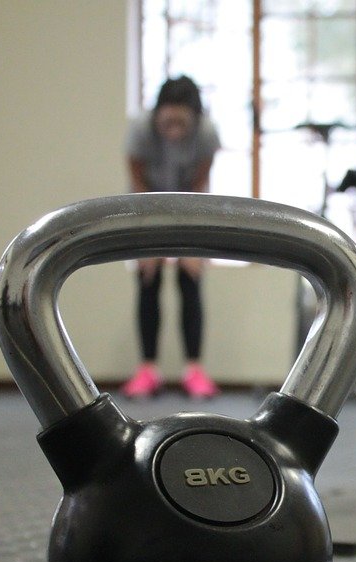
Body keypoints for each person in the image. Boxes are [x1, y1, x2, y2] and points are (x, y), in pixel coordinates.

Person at [121, 76, 222, 400]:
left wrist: (194, 246)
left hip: (189, 204)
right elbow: (137, 183)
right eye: (168, 121)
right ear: (157, 114)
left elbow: (200, 184)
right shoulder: (139, 130)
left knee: (190, 277)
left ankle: (194, 370)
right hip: (146, 203)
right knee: (147, 278)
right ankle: (147, 370)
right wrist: (146, 242)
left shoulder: (206, 133)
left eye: (182, 122)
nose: (174, 129)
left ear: (194, 119)